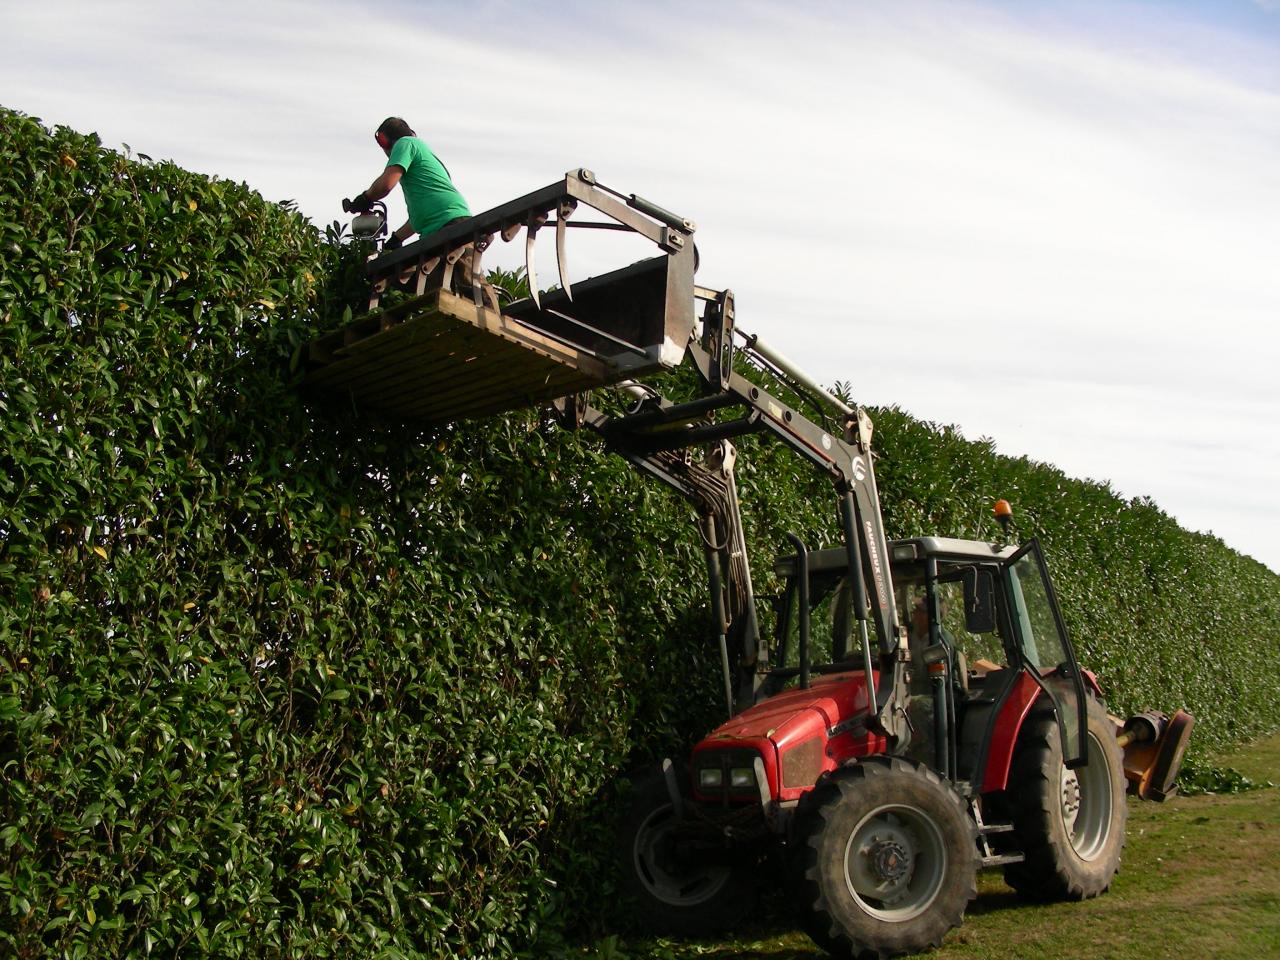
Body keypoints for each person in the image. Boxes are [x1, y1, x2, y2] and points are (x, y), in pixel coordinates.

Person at [344, 117, 471, 252]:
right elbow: (422, 215)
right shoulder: (421, 153)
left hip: (449, 226)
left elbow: (386, 185)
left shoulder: (404, 143)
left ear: (383, 140)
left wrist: (365, 198)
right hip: (449, 224)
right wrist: (397, 239)